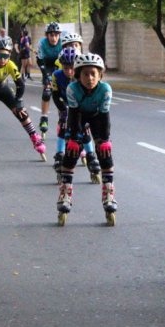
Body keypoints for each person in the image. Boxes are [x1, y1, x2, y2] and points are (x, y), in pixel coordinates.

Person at [56, 53, 116, 226]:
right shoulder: (72, 89)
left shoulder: (105, 89)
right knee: (71, 153)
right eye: (85, 74)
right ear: (77, 75)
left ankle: (109, 193)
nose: (89, 78)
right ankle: (65, 193)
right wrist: (74, 138)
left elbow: (105, 117)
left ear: (100, 75)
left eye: (93, 74)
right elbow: (73, 116)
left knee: (105, 153)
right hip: (80, 116)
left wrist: (104, 140)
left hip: (98, 117)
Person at [50, 47, 101, 183]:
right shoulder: (56, 76)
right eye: (65, 68)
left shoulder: (81, 78)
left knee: (84, 128)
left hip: (81, 105)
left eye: (72, 68)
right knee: (63, 125)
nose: (69, 71)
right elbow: (55, 96)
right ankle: (60, 154)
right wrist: (63, 111)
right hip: (65, 104)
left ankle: (91, 155)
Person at [36, 22, 63, 138]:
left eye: (56, 35)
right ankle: (44, 118)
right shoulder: (42, 43)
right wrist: (47, 77)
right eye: (51, 35)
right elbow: (40, 61)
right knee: (47, 92)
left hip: (60, 65)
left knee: (62, 95)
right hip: (46, 66)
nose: (54, 38)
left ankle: (62, 119)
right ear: (47, 36)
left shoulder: (63, 43)